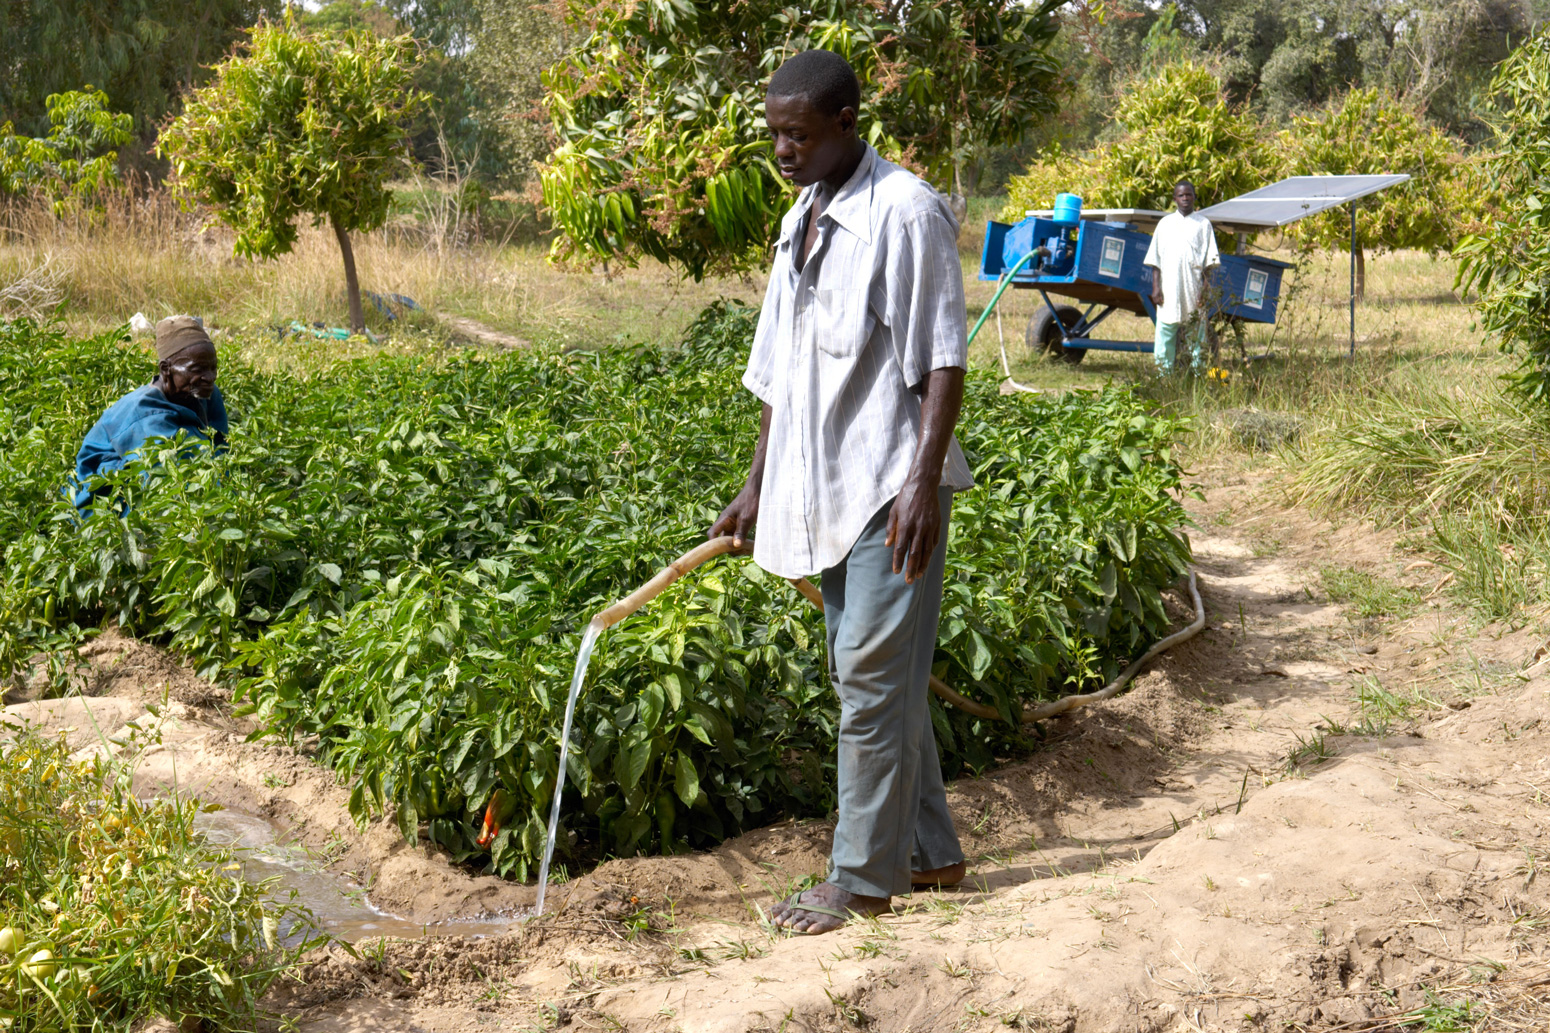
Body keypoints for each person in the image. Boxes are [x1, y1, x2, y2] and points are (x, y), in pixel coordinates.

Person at [708, 49, 974, 935]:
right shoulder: (802, 219)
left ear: (845, 125)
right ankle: (933, 853)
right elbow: (781, 373)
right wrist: (755, 487)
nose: (782, 150)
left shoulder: (905, 212)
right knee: (874, 676)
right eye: (775, 134)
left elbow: (944, 356)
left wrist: (923, 481)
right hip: (822, 483)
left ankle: (861, 878)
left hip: (889, 485)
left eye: (799, 134)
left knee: (866, 675)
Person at [71, 315, 227, 513]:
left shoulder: (204, 393)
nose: (210, 377)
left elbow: (222, 448)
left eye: (213, 368)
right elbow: (171, 479)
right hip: (105, 501)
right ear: (166, 369)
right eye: (197, 369)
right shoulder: (144, 414)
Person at [1144, 180, 1220, 373]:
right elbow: (1155, 259)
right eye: (1181, 195)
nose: (1185, 198)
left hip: (1193, 288)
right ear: (1174, 199)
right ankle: (1163, 377)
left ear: (1194, 197)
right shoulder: (1165, 224)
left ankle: (1198, 376)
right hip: (1169, 288)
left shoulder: (1203, 224)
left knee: (1197, 334)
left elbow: (1209, 263)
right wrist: (1155, 288)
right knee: (1165, 334)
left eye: (1188, 194)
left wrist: (1204, 290)